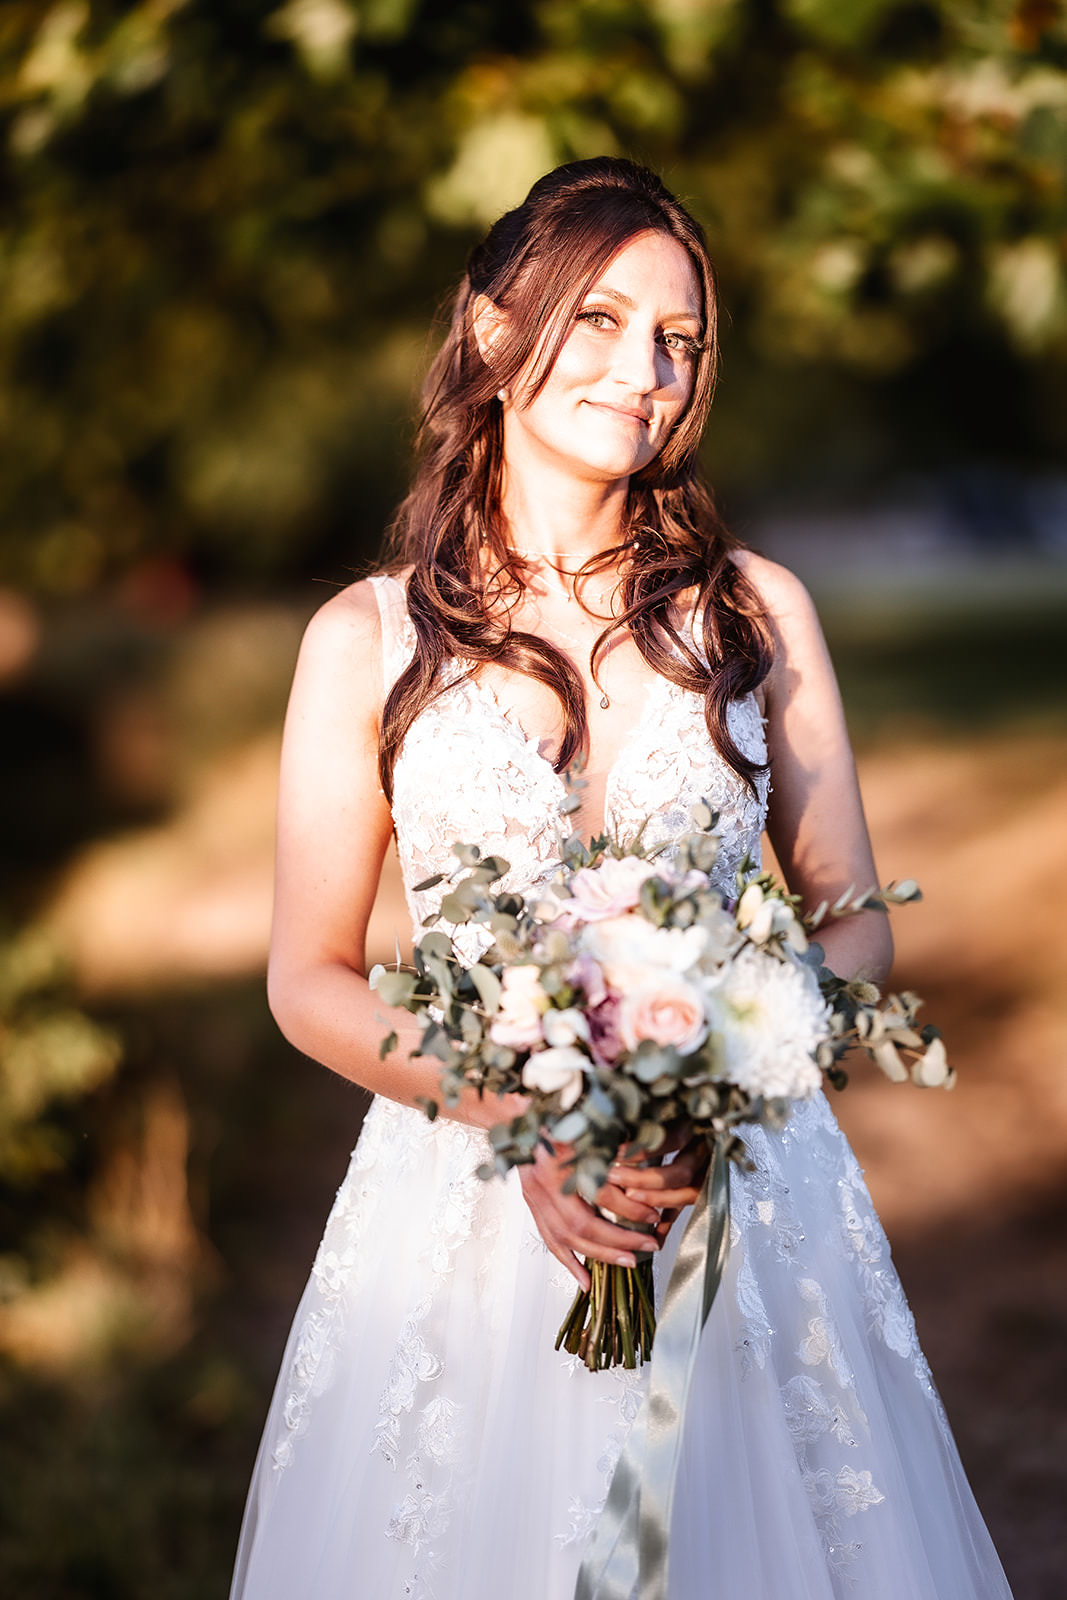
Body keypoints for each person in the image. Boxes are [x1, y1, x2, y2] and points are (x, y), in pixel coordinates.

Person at [229, 158, 1012, 1600]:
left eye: (679, 341)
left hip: (731, 1199)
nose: (644, 370)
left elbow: (850, 926)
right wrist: (521, 1116)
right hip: (464, 1205)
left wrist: (724, 1078)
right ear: (487, 329)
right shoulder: (365, 639)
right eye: (597, 319)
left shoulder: (757, 612)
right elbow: (308, 973)